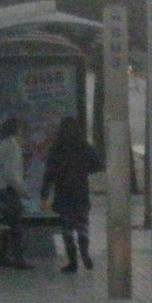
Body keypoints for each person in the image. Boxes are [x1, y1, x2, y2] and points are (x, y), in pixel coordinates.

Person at [40, 116, 104, 273]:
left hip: (63, 192)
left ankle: (73, 262)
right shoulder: (83, 146)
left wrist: (44, 195)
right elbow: (99, 164)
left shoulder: (57, 148)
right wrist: (83, 170)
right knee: (82, 224)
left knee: (67, 228)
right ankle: (85, 253)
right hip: (80, 191)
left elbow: (49, 174)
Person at [0, 118, 34, 270]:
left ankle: (2, 255)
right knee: (15, 223)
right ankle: (18, 258)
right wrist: (22, 190)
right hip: (8, 189)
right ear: (17, 130)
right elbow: (11, 173)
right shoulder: (13, 147)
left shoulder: (2, 144)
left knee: (8, 223)